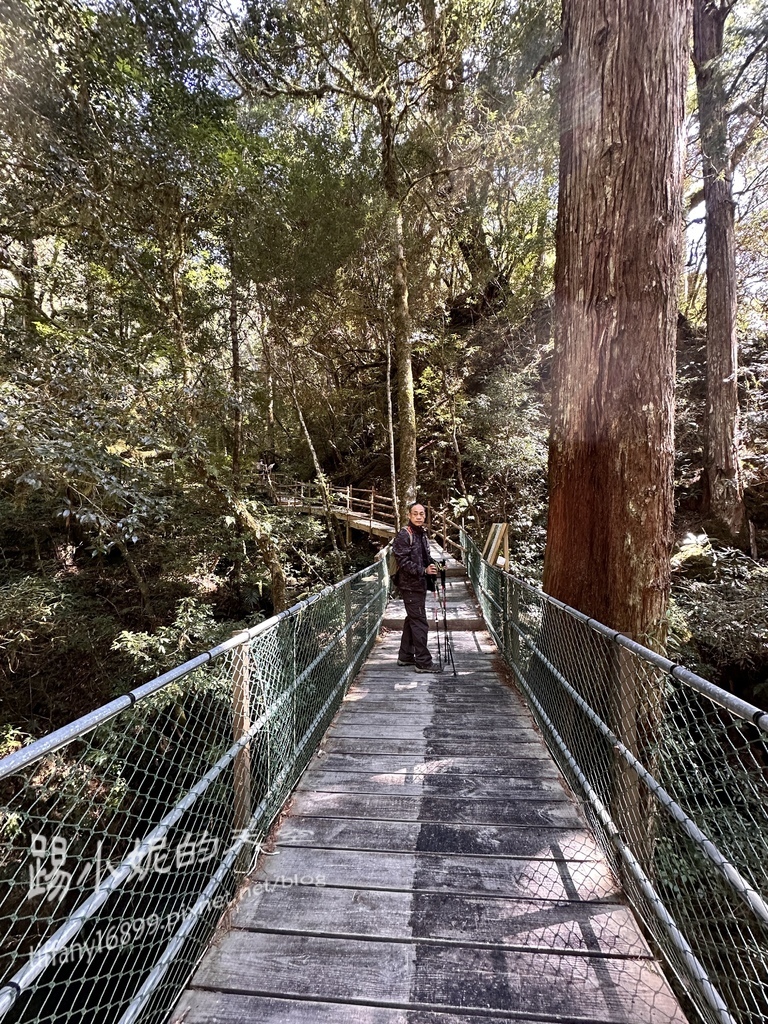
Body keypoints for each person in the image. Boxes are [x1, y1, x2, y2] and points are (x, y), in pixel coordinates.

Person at [392, 502, 441, 673]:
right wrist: (423, 570)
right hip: (410, 586)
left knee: (412, 619)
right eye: (415, 514)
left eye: (422, 514)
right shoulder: (405, 535)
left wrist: (435, 566)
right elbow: (403, 561)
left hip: (419, 585)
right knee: (420, 622)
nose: (419, 517)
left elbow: (424, 557)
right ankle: (423, 662)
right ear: (409, 515)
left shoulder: (422, 534)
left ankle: (405, 655)